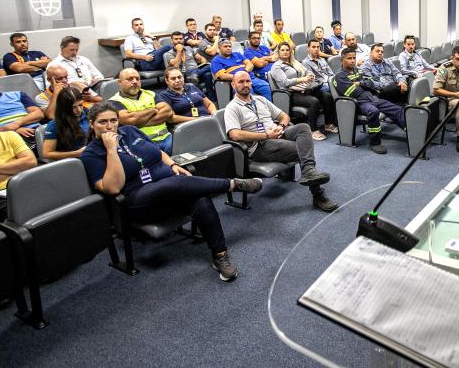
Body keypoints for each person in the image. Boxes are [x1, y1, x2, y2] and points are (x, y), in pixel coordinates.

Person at [80, 102, 262, 281]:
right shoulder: (91, 154)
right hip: (139, 201)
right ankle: (230, 184)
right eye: (103, 122)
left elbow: (158, 153)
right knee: (173, 184)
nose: (110, 126)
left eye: (113, 120)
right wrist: (111, 150)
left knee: (200, 199)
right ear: (92, 123)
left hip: (169, 188)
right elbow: (113, 188)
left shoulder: (130, 131)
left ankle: (220, 254)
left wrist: (173, 164)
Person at [224, 71, 338, 213]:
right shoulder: (232, 108)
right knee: (301, 150)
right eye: (241, 82)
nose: (245, 84)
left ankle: (309, 171)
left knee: (303, 127)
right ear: (233, 84)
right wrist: (266, 135)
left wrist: (281, 126)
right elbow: (234, 135)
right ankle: (318, 195)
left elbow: (284, 116)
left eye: (247, 81)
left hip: (276, 134)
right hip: (259, 145)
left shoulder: (260, 100)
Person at [333, 47, 405, 155]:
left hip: (371, 98)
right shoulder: (339, 76)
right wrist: (363, 85)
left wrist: (360, 83)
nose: (352, 60)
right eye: (349, 58)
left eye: (354, 58)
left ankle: (411, 130)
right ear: (342, 60)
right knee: (373, 111)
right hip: (358, 104)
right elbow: (353, 92)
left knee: (396, 108)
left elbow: (371, 82)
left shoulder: (357, 70)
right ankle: (374, 143)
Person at [269, 42, 337, 140]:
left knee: (327, 96)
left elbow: (307, 71)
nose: (285, 52)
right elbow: (285, 83)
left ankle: (328, 123)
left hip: (303, 88)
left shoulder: (294, 62)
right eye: (282, 50)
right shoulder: (277, 66)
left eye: (287, 50)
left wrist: (310, 75)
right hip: (290, 93)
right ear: (278, 52)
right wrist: (302, 79)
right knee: (314, 101)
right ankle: (313, 129)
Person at [108, 68, 173, 154]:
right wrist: (152, 110)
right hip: (141, 144)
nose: (135, 81)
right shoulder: (114, 101)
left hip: (167, 138)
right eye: (130, 79)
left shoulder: (150, 94)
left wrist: (138, 122)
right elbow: (129, 120)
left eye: (137, 79)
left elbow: (167, 112)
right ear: (119, 82)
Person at [37, 65, 102, 120]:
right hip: (74, 120)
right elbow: (51, 116)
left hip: (95, 113)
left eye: (66, 77)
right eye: (59, 78)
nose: (64, 81)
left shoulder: (76, 85)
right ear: (49, 80)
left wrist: (91, 98)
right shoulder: (42, 97)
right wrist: (56, 94)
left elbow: (100, 99)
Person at [41, 87, 89, 160]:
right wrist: (76, 153)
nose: (79, 110)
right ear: (64, 108)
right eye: (74, 107)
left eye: (80, 105)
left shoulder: (88, 113)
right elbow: (46, 154)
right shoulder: (54, 125)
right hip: (74, 160)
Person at [164, 31, 214, 99]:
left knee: (208, 72)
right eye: (176, 39)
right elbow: (175, 66)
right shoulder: (168, 54)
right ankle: (200, 97)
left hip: (196, 71)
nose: (179, 41)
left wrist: (203, 63)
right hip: (183, 74)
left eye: (180, 39)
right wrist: (179, 51)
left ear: (183, 39)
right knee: (209, 68)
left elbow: (201, 58)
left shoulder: (189, 48)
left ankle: (211, 97)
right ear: (172, 41)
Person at [242, 31, 277, 100]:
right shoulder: (248, 52)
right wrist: (269, 59)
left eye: (258, 38)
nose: (257, 40)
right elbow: (259, 64)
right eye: (254, 38)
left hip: (275, 70)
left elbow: (275, 57)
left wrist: (263, 58)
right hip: (264, 75)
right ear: (249, 39)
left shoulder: (264, 47)